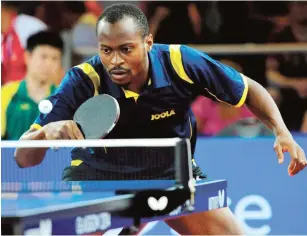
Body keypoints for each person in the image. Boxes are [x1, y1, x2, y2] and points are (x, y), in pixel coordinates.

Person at [15, 4, 306, 235]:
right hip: (97, 176)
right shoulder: (82, 80)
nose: (115, 60)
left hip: (169, 172)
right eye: (106, 50)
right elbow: (23, 158)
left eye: (125, 49)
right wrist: (46, 132)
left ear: (148, 42)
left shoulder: (181, 62)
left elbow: (249, 89)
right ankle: (134, 220)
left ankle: (136, 220)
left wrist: (281, 131)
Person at [1, 31, 63, 140]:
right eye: (43, 57)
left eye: (54, 58)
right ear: (27, 57)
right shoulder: (6, 94)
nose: (49, 64)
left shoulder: (64, 98)